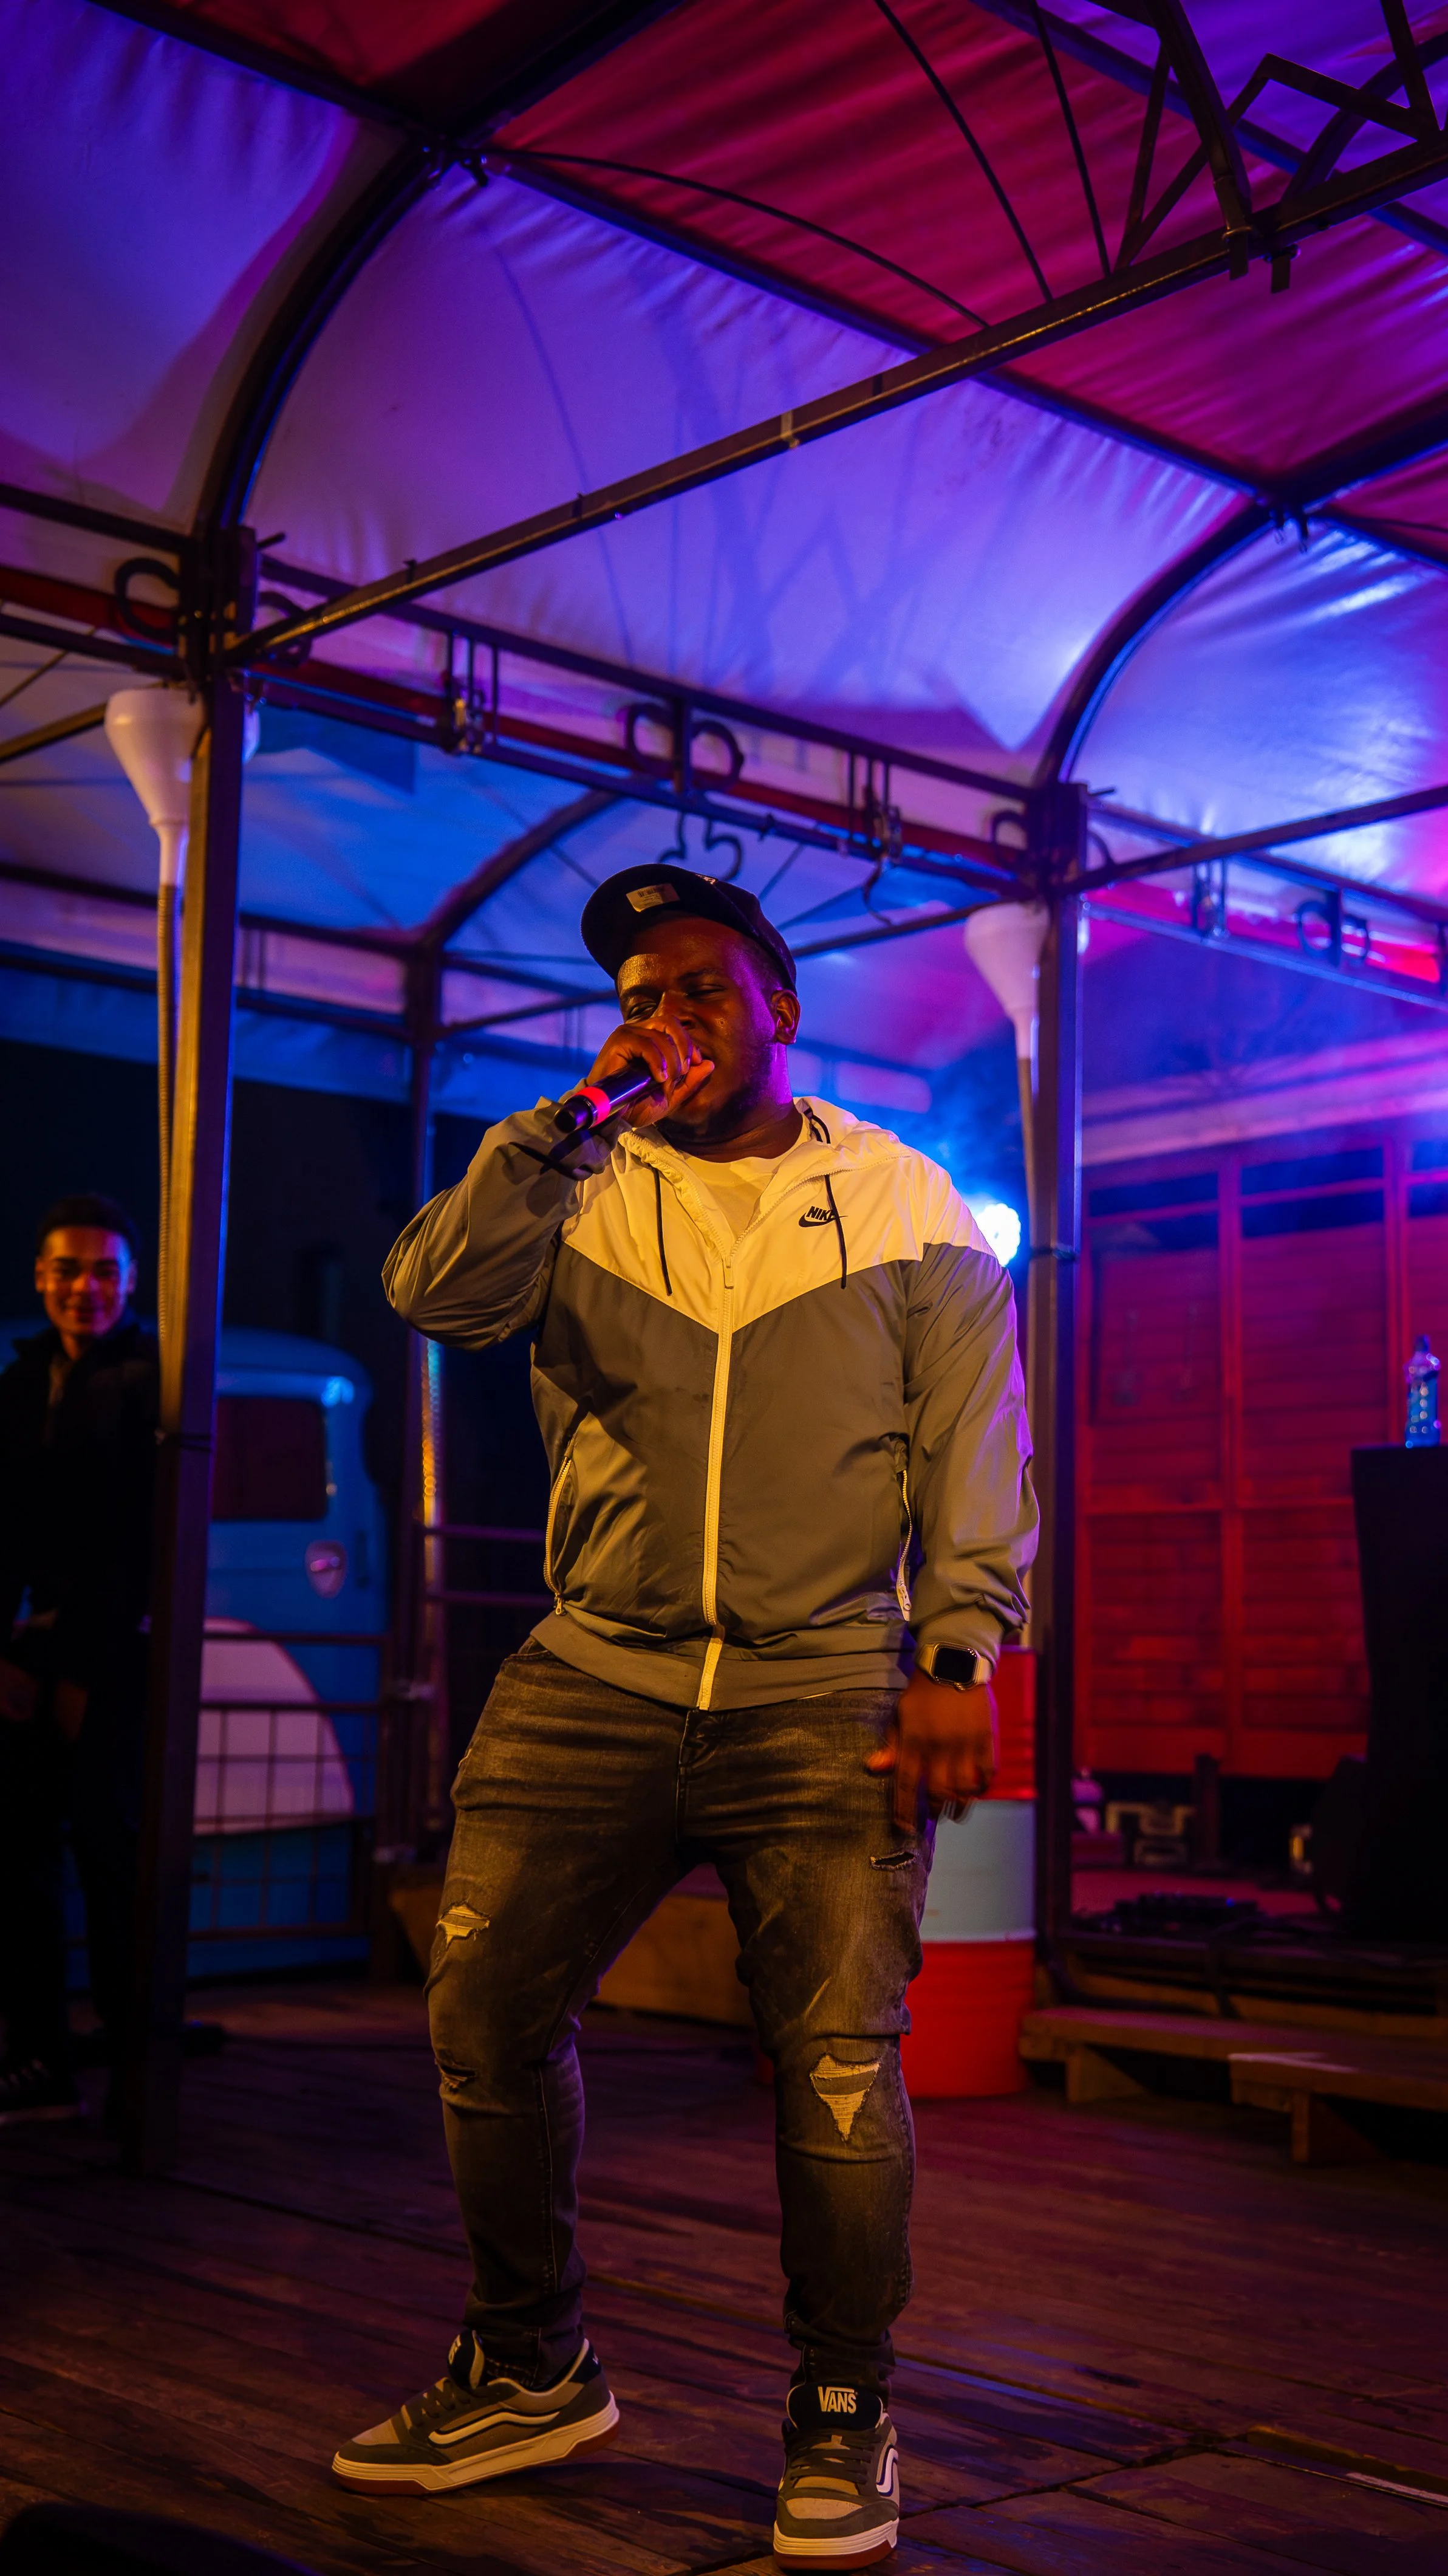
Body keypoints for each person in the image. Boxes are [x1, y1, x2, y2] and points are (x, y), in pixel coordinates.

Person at [338, 865, 1036, 2566]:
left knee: (839, 2067)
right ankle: (528, 2363)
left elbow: (972, 1444)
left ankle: (844, 2407)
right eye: (639, 997)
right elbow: (435, 1296)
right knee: (482, 2007)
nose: (664, 1021)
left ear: (780, 1008)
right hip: (597, 1672)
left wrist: (957, 1657)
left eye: (699, 989)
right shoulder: (577, 1180)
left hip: (820, 1686)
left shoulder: (907, 1199)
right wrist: (557, 1131)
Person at [0, 1194, 158, 2123]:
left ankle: (129, 2046)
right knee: (19, 1855)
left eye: (104, 1271)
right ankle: (39, 2051)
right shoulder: (20, 1381)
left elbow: (141, 1540)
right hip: (30, 1647)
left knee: (109, 1851)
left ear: (131, 1282)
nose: (84, 1287)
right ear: (39, 1276)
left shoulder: (151, 1379)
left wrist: (78, 1666)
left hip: (107, 1656)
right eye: (68, 1268)